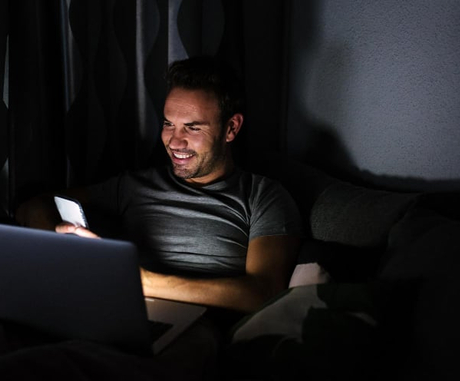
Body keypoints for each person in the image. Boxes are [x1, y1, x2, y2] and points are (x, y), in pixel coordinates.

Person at [15, 55, 302, 319]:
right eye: (168, 124)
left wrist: (141, 281)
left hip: (197, 328)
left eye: (192, 127)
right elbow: (33, 206)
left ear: (231, 128)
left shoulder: (262, 197)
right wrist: (57, 244)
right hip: (114, 312)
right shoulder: (134, 186)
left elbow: (264, 293)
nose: (174, 142)